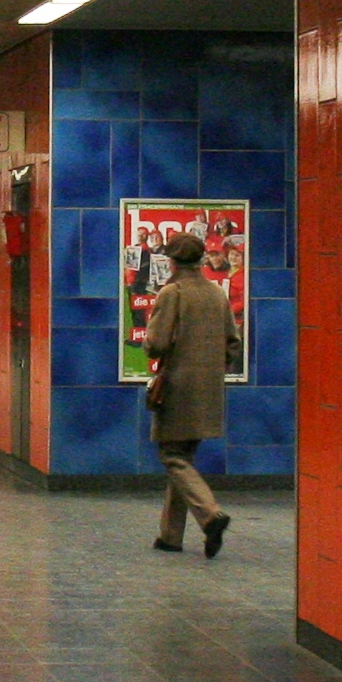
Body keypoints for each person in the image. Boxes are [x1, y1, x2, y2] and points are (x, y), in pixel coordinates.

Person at [143, 227, 234, 558]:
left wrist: (148, 344)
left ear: (173, 262)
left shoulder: (173, 293)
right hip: (210, 388)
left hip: (178, 388)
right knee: (183, 457)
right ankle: (171, 536)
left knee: (172, 456)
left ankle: (211, 515)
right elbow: (231, 343)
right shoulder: (216, 293)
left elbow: (156, 344)